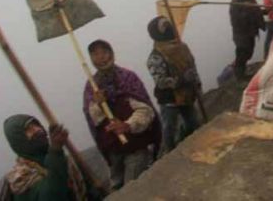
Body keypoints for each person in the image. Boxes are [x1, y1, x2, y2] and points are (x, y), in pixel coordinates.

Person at [83, 40, 160, 190]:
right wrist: (98, 105)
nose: (101, 57)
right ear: (91, 59)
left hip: (134, 145)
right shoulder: (91, 86)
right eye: (95, 54)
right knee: (117, 188)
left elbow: (145, 110)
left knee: (132, 189)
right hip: (112, 150)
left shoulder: (128, 78)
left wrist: (127, 126)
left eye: (104, 52)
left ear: (112, 54)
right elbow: (93, 119)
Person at [0, 115, 89, 201]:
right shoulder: (20, 179)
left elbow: (81, 186)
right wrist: (55, 151)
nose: (38, 130)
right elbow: (52, 196)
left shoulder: (61, 159)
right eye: (29, 130)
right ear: (19, 140)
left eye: (36, 125)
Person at [146, 17, 201, 154]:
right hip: (169, 98)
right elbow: (161, 81)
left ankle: (186, 144)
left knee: (193, 123)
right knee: (169, 128)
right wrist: (181, 79)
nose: (169, 28)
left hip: (187, 94)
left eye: (169, 25)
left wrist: (197, 83)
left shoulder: (182, 47)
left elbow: (192, 66)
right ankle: (169, 153)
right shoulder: (156, 56)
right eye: (164, 27)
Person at [229, 0, 264, 79]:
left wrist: (267, 10)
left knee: (249, 52)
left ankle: (242, 71)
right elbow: (235, 20)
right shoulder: (235, 2)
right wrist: (245, 9)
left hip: (251, 32)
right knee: (242, 53)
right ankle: (239, 76)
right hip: (241, 34)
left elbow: (257, 12)